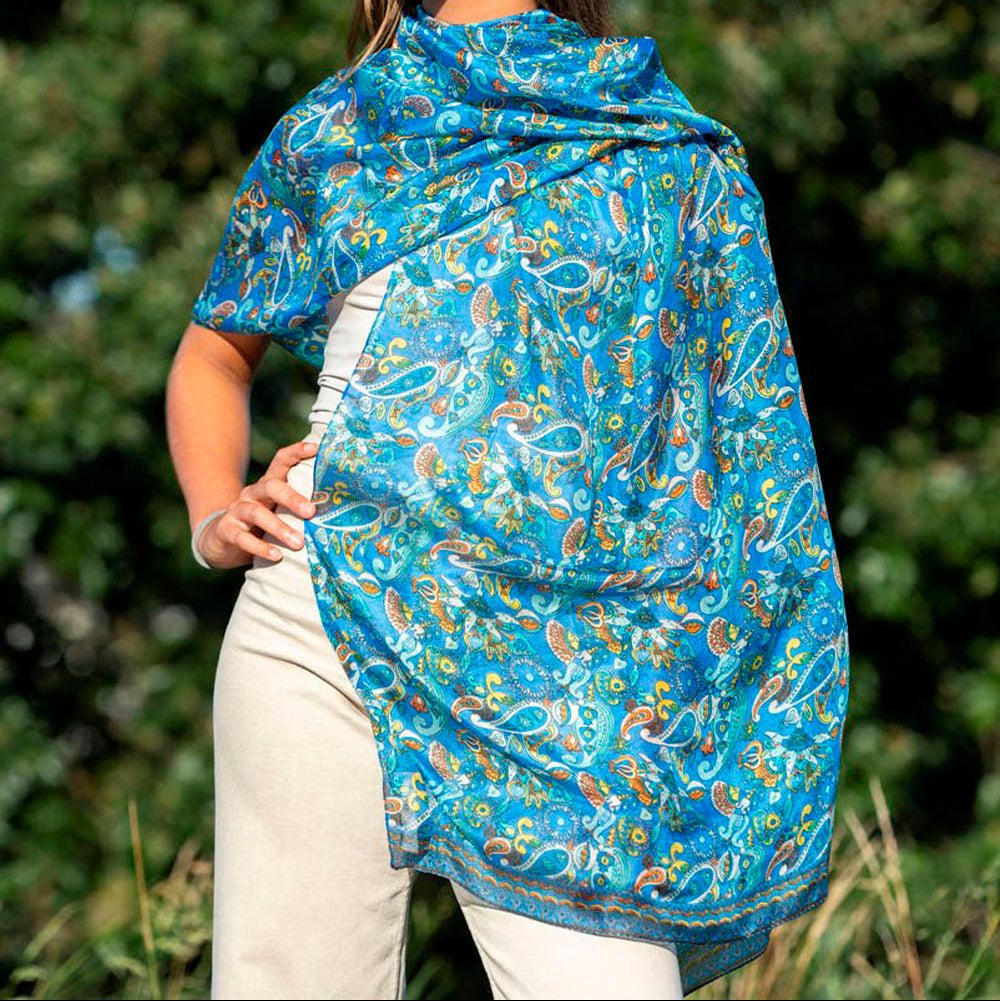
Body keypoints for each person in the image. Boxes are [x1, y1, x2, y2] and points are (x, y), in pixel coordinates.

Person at [166, 2, 851, 999]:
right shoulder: (345, 127)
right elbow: (211, 356)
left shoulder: (663, 148)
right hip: (324, 612)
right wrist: (213, 515)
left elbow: (735, 437)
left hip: (571, 668)